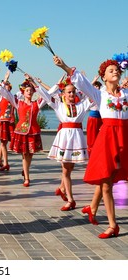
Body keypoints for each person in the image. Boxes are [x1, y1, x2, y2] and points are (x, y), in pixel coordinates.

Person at [53, 55, 128, 238]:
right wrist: (63, 65)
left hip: (124, 138)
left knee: (109, 179)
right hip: (108, 139)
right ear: (103, 76)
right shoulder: (99, 94)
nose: (115, 72)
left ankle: (92, 208)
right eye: (111, 70)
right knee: (106, 183)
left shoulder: (126, 94)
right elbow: (80, 79)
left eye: (117, 69)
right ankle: (112, 225)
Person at [30, 74, 93, 211]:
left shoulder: (82, 105)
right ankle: (70, 199)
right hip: (64, 138)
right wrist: (35, 84)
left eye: (73, 91)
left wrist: (88, 83)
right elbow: (46, 96)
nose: (71, 94)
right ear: (63, 94)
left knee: (70, 168)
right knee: (65, 170)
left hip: (77, 138)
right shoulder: (58, 105)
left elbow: (94, 96)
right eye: (69, 92)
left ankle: (62, 188)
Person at [6, 78, 46, 187]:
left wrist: (34, 82)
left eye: (31, 90)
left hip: (33, 131)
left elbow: (47, 94)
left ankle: (25, 170)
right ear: (23, 92)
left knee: (31, 154)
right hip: (22, 132)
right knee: (24, 154)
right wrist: (4, 81)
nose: (29, 92)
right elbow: (6, 93)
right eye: (27, 90)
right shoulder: (18, 102)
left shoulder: (37, 103)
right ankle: (27, 178)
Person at [0, 78, 16, 171]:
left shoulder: (14, 97)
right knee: (3, 142)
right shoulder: (0, 97)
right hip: (2, 122)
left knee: (4, 142)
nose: (7, 86)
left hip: (9, 121)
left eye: (8, 85)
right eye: (6, 85)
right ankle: (5, 163)